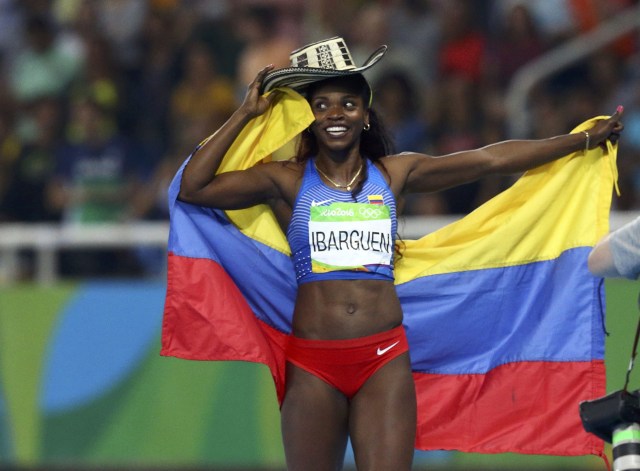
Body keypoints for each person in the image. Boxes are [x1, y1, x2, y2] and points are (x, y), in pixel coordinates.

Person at [175, 37, 624, 470]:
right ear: (308, 117)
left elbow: (490, 159)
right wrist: (246, 112)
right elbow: (194, 187)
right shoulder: (285, 180)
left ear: (365, 116)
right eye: (323, 104)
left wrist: (580, 141)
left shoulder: (394, 174)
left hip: (383, 360)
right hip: (313, 363)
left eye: (348, 104)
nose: (336, 114)